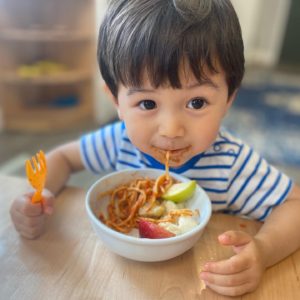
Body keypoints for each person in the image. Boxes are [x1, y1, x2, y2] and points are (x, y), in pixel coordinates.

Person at [10, 0, 300, 296]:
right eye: (147, 103)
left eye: (196, 102)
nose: (171, 130)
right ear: (116, 102)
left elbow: (295, 204)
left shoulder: (231, 163)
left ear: (228, 100)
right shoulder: (119, 139)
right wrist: (38, 196)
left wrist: (263, 252)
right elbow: (62, 158)